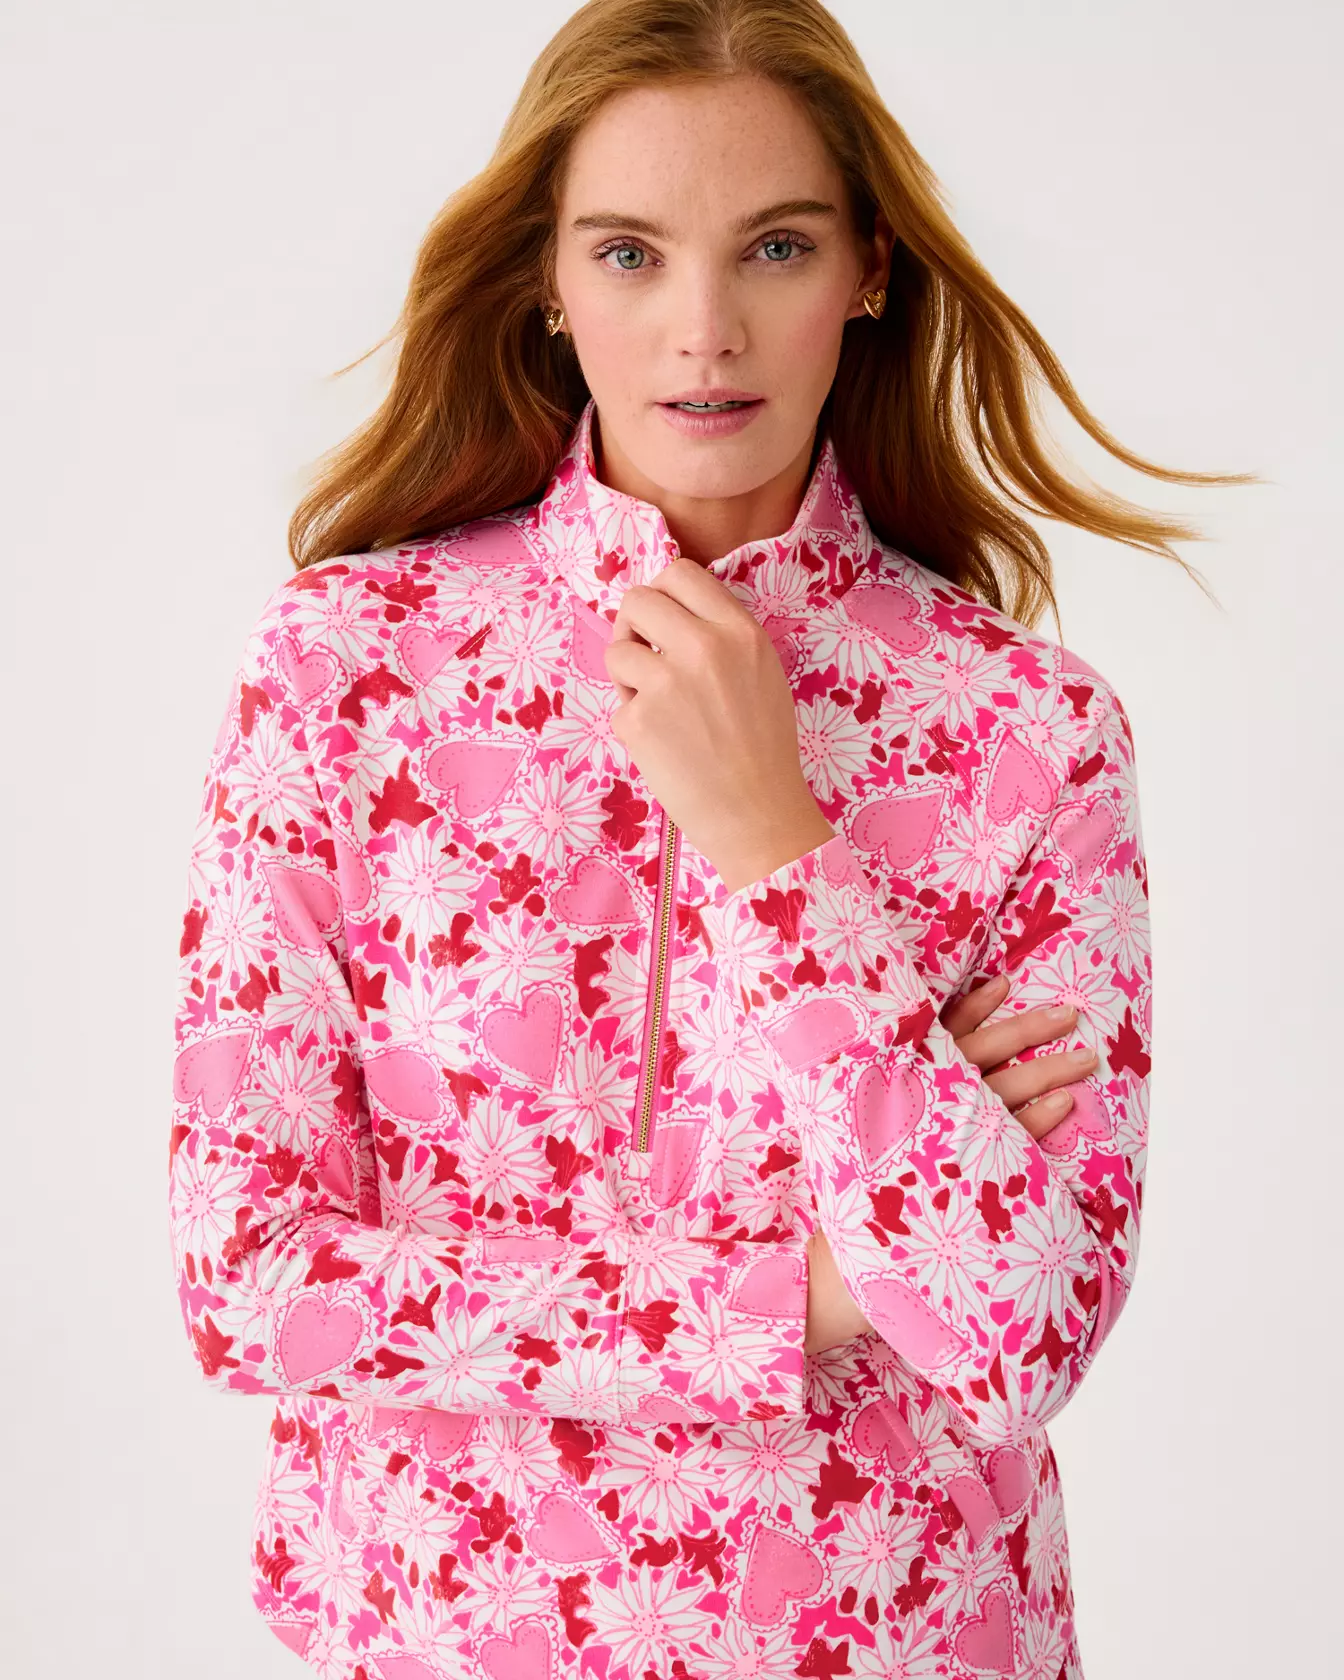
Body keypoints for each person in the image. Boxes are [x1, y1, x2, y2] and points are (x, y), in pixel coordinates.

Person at [167, 3, 1240, 1675]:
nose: (705, 331)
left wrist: (777, 843)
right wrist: (808, 1292)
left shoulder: (1027, 730)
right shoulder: (345, 671)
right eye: (629, 254)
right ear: (546, 278)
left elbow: (1018, 1330)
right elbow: (248, 1284)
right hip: (443, 1641)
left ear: (868, 270)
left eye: (776, 247)